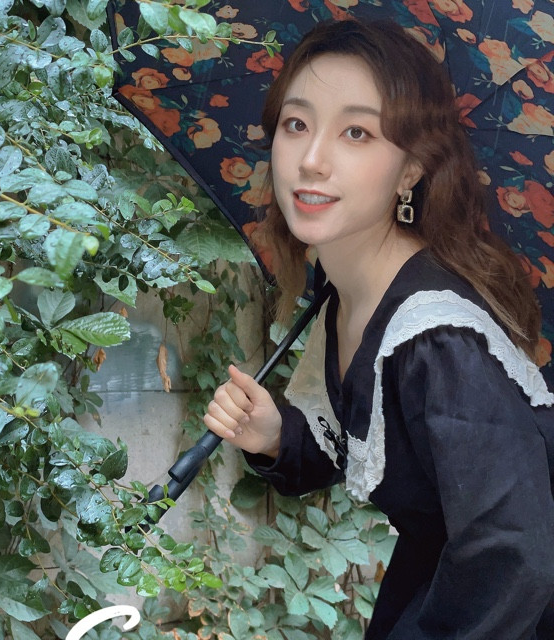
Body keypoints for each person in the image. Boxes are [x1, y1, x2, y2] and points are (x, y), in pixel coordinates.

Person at [202, 19, 554, 640]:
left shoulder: (438, 338)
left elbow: (512, 556)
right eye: (296, 124)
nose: (312, 160)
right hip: (432, 587)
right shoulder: (349, 296)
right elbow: (365, 444)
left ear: (411, 169)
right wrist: (277, 436)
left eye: (357, 132)